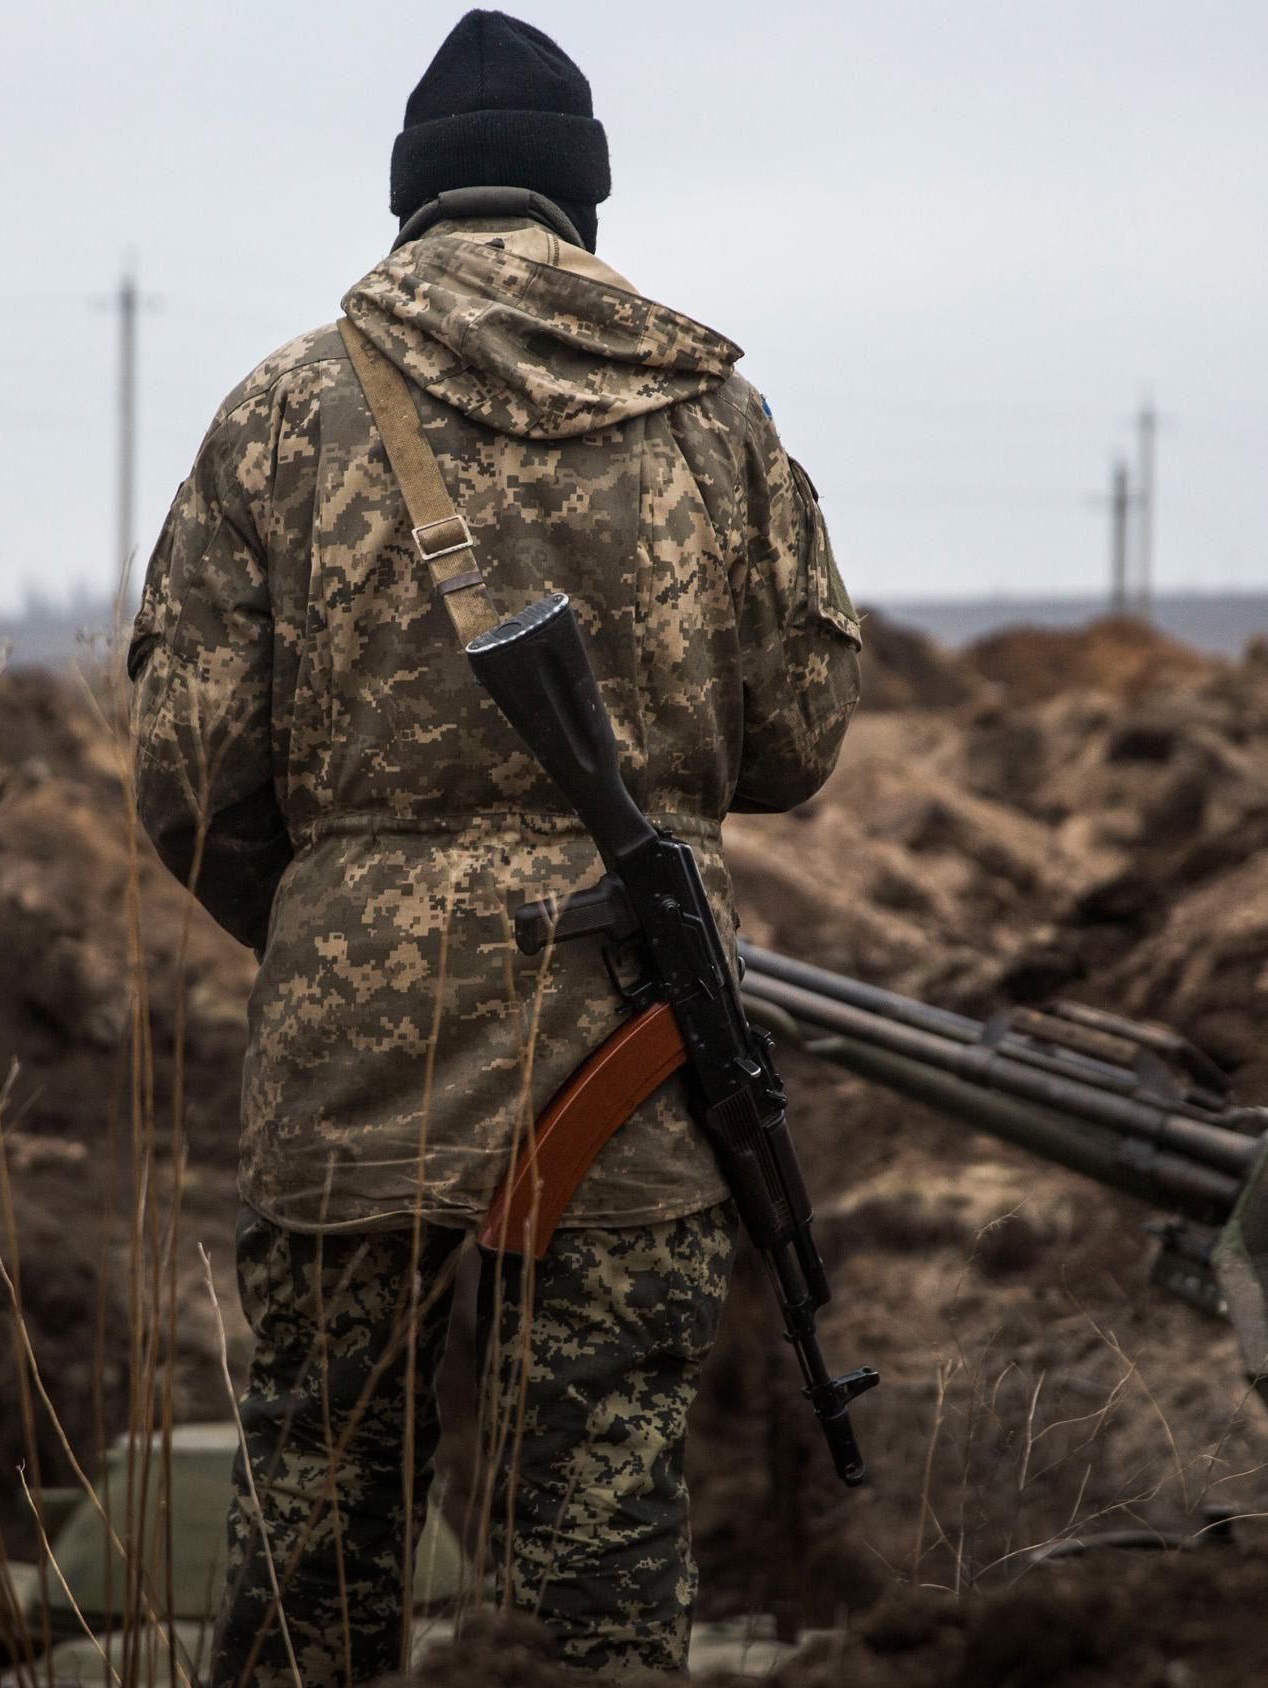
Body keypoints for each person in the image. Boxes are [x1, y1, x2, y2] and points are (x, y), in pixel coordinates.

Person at [125, 10, 862, 1681]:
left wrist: (339, 915)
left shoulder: (279, 410)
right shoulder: (714, 413)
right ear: (582, 201)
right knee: (602, 1557)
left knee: (315, 1528)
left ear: (413, 203)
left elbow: (182, 766)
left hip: (347, 1057)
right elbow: (801, 738)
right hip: (635, 1028)